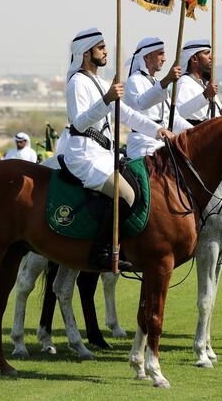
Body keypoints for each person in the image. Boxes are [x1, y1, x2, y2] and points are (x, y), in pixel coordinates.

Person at [61, 27, 174, 271]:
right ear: (86, 52)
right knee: (127, 195)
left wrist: (156, 130)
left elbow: (128, 114)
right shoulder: (77, 83)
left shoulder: (101, 82)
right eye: (100, 48)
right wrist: (106, 100)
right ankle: (101, 252)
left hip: (104, 154)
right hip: (83, 155)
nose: (105, 52)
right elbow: (79, 122)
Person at [124, 37, 191, 159]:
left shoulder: (156, 82)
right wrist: (166, 81)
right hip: (143, 145)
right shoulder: (134, 80)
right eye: (160, 54)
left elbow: (173, 118)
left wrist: (196, 131)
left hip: (163, 143)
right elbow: (142, 103)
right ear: (146, 57)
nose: (164, 59)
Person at [174, 39, 222, 125]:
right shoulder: (184, 83)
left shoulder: (204, 84)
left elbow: (212, 117)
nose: (211, 57)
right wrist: (205, 95)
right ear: (194, 59)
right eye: (206, 53)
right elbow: (179, 114)